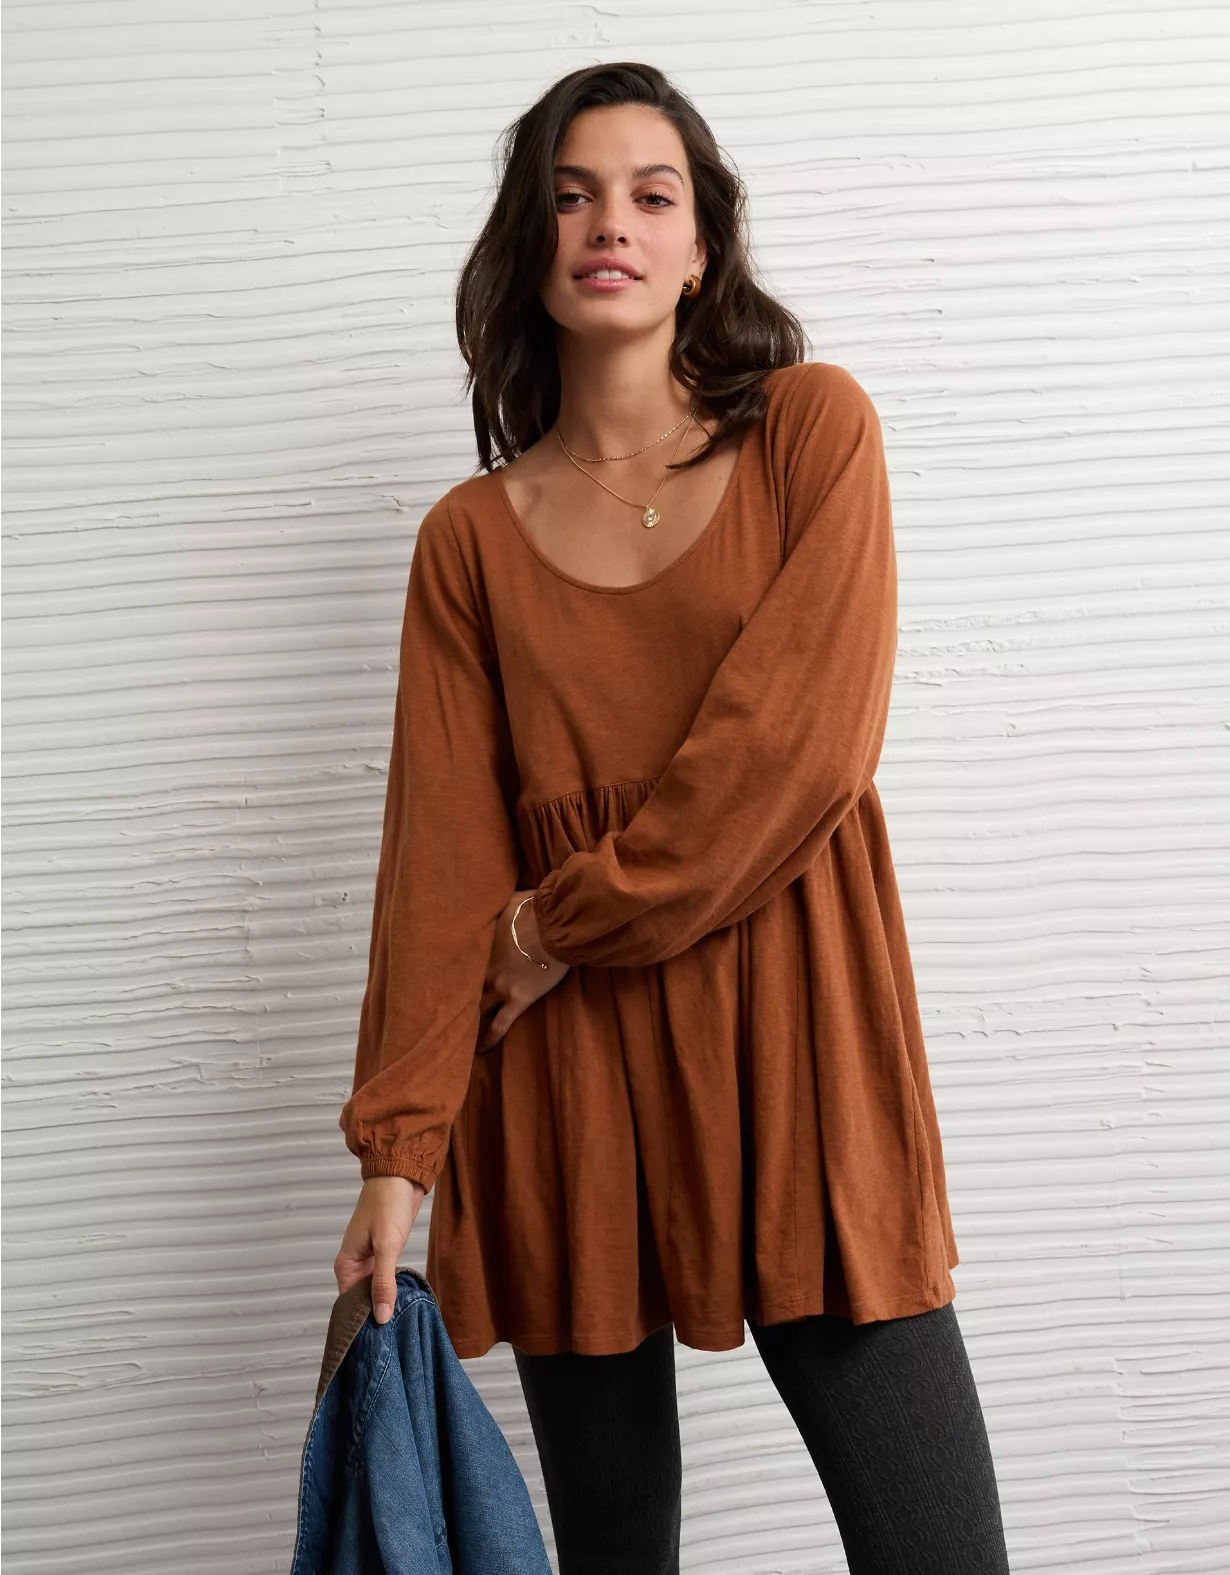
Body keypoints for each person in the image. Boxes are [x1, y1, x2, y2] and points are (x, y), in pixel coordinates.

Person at [332, 60, 1011, 1575]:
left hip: (798, 1039)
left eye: (652, 195)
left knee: (940, 1550)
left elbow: (793, 757)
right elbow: (439, 864)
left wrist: (553, 928)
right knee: (614, 1553)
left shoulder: (811, 432)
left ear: (703, 246)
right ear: (529, 244)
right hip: (568, 1084)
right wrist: (397, 1154)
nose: (610, 225)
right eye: (570, 196)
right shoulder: (469, 542)